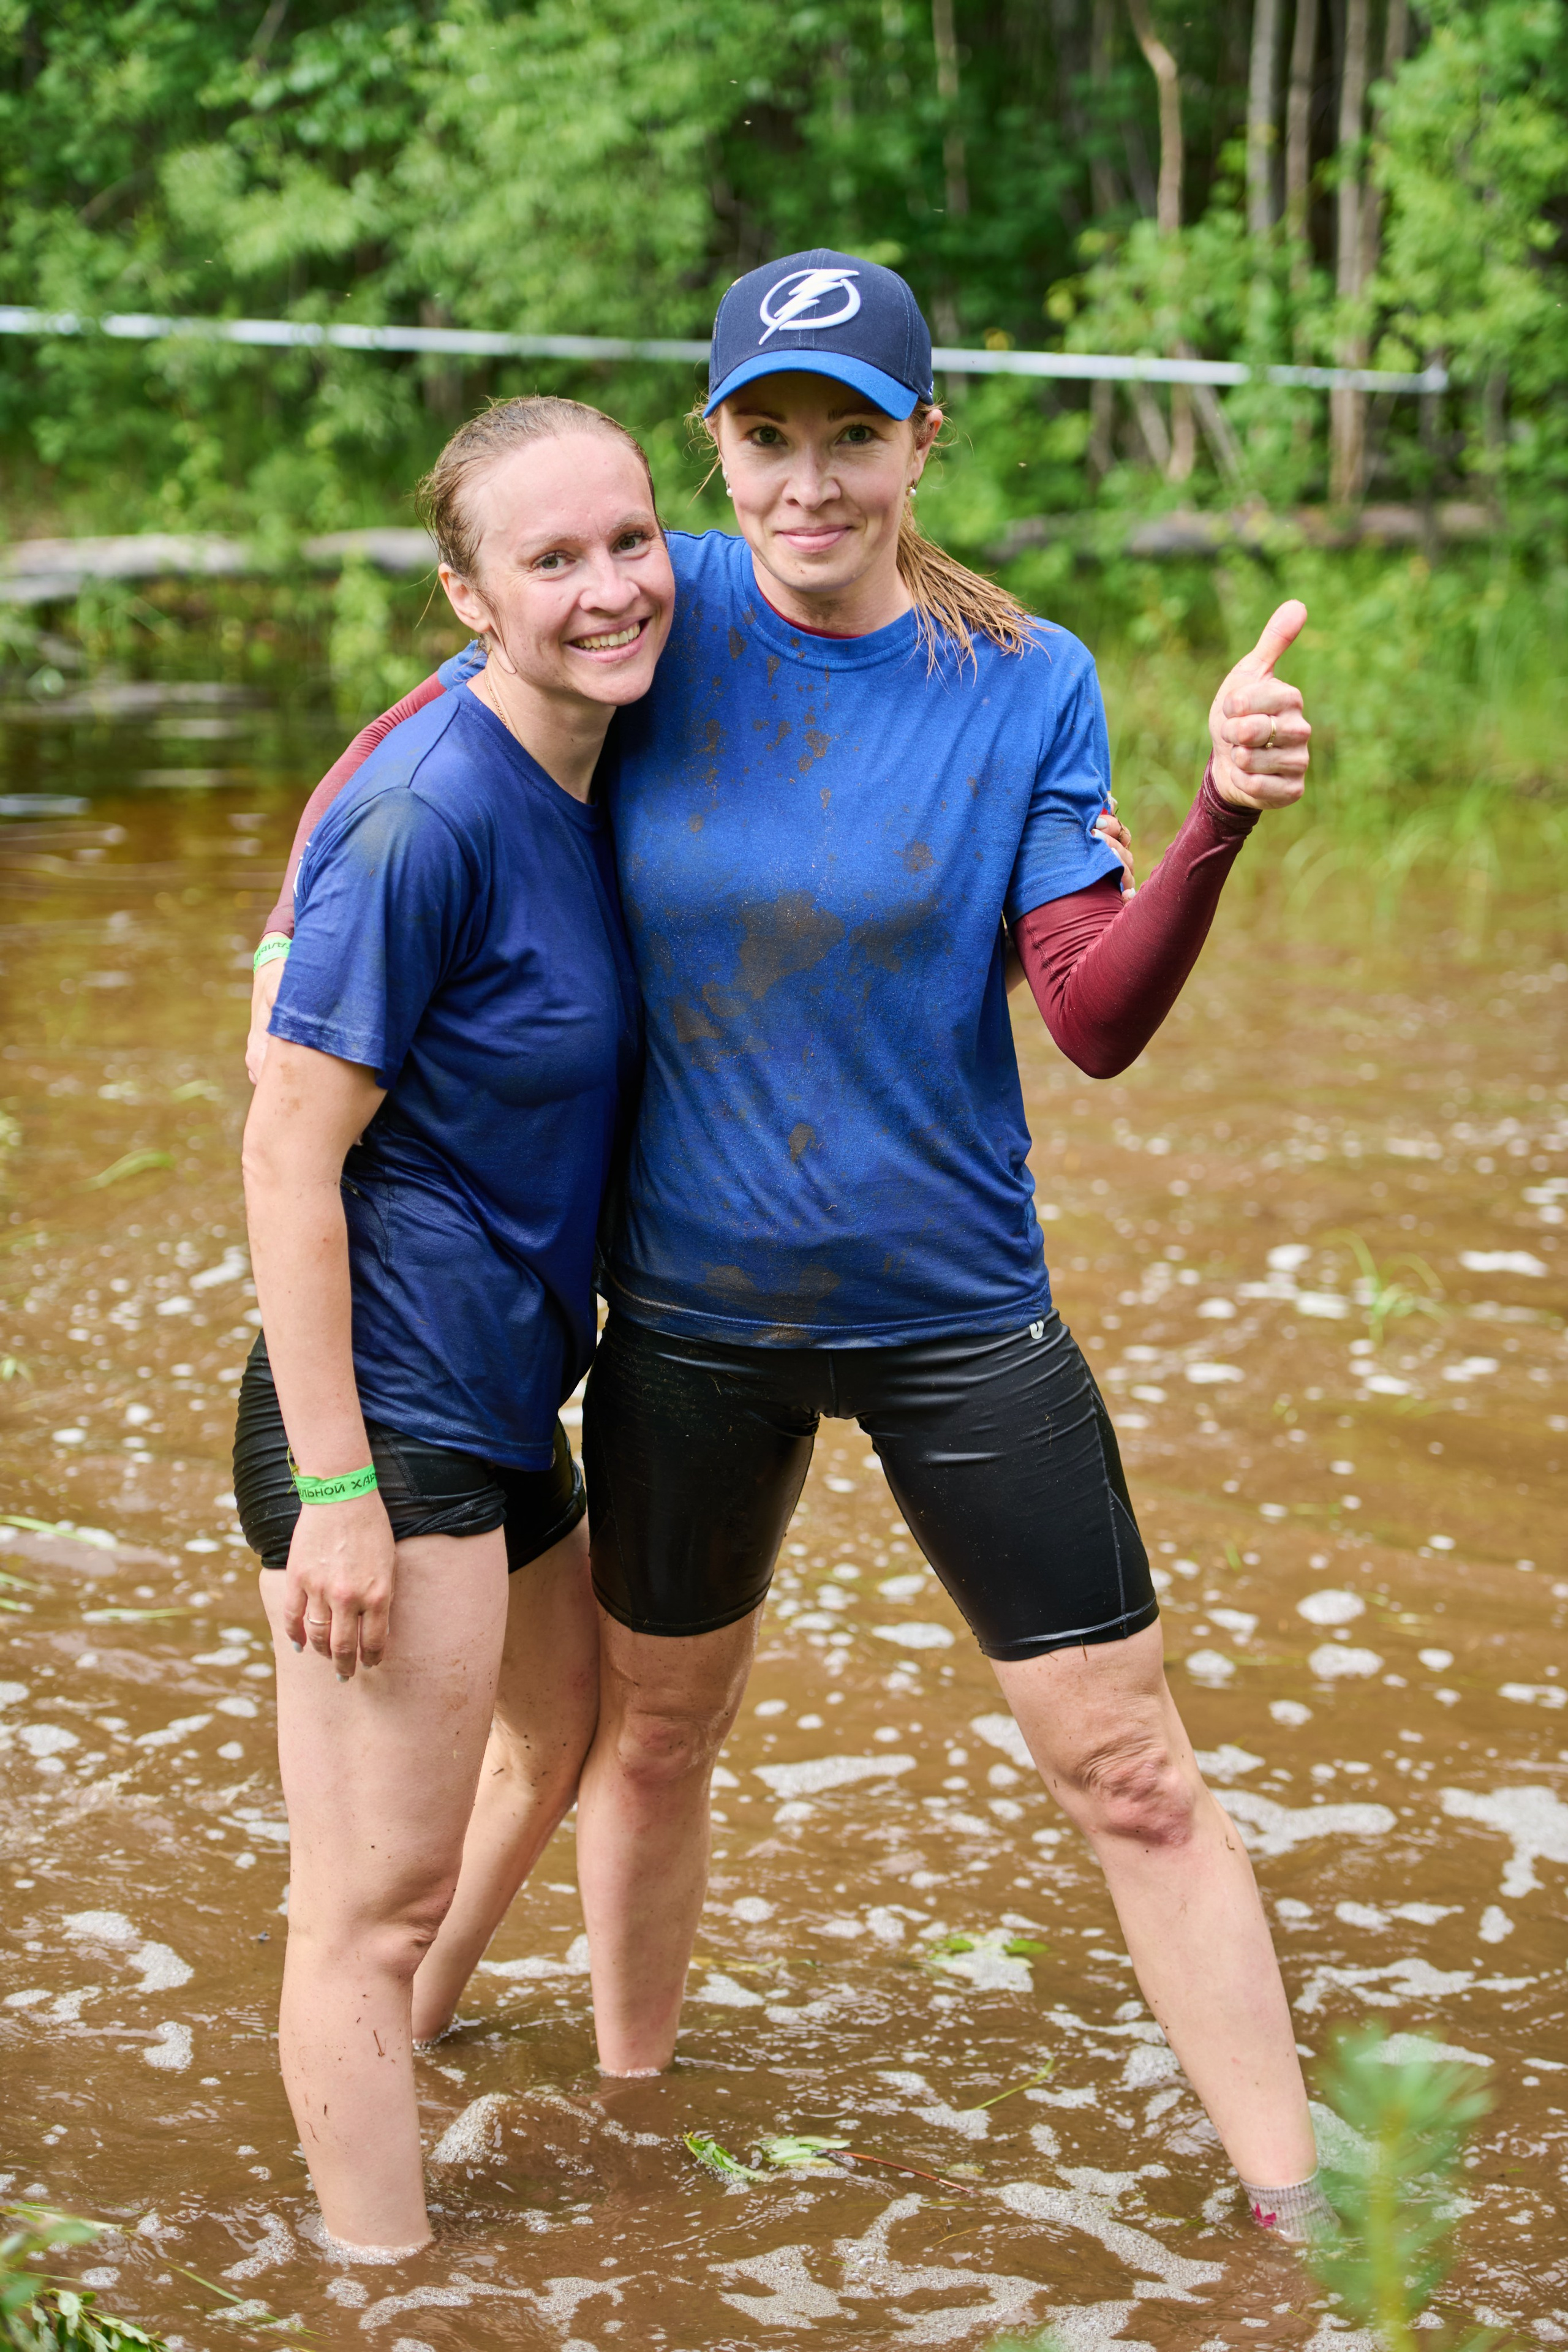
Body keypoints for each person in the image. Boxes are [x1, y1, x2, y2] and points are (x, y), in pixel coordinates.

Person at [252, 253, 1326, 2241]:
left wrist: (1217, 816)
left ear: (925, 442)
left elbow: (1091, 1017)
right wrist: (292, 951)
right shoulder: (652, 610)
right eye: (768, 435)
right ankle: (638, 2130)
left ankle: (1296, 2214)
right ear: (717, 446)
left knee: (1134, 1772)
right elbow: (428, 746)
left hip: (958, 1313)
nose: (808, 479)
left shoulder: (1027, 678)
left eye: (854, 434)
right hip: (686, 1325)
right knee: (653, 1741)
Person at [235, 394, 668, 2255]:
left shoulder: (592, 764)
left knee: (559, 1736)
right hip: (387, 1412)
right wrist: (336, 1491)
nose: (608, 586)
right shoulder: (428, 815)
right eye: (550, 560)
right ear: (470, 596)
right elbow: (285, 1148)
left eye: (629, 541)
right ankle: (379, 2282)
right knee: (364, 1899)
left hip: (501, 1394)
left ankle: (402, 2038)